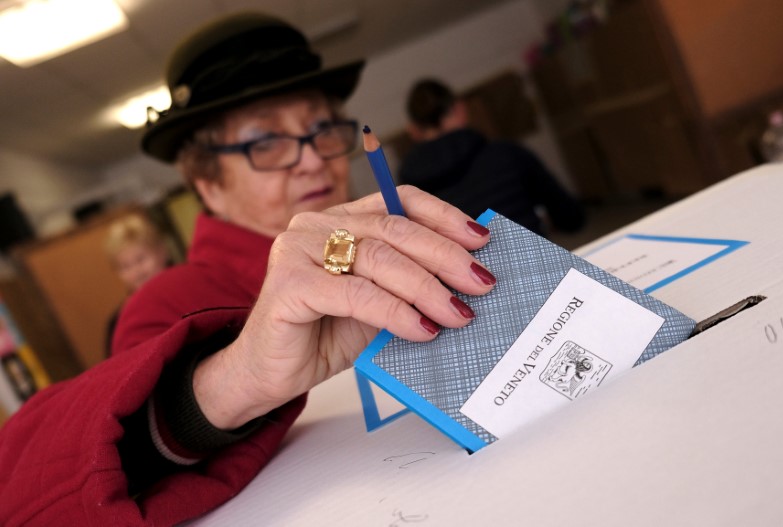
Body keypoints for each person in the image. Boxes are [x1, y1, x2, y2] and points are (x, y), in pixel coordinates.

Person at [0, 13, 497, 526]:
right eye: (266, 143)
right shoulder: (164, 303)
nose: (311, 161)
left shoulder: (390, 241)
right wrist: (232, 381)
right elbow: (130, 478)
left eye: (322, 129)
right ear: (206, 184)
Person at [398, 78, 586, 236]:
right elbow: (570, 217)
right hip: (536, 268)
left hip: (465, 278)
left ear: (413, 130)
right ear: (460, 110)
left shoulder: (407, 190)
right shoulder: (507, 153)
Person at [104, 214, 172, 353]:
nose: (136, 272)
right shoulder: (117, 322)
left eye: (141, 259)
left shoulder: (191, 286)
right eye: (125, 266)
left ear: (161, 252)